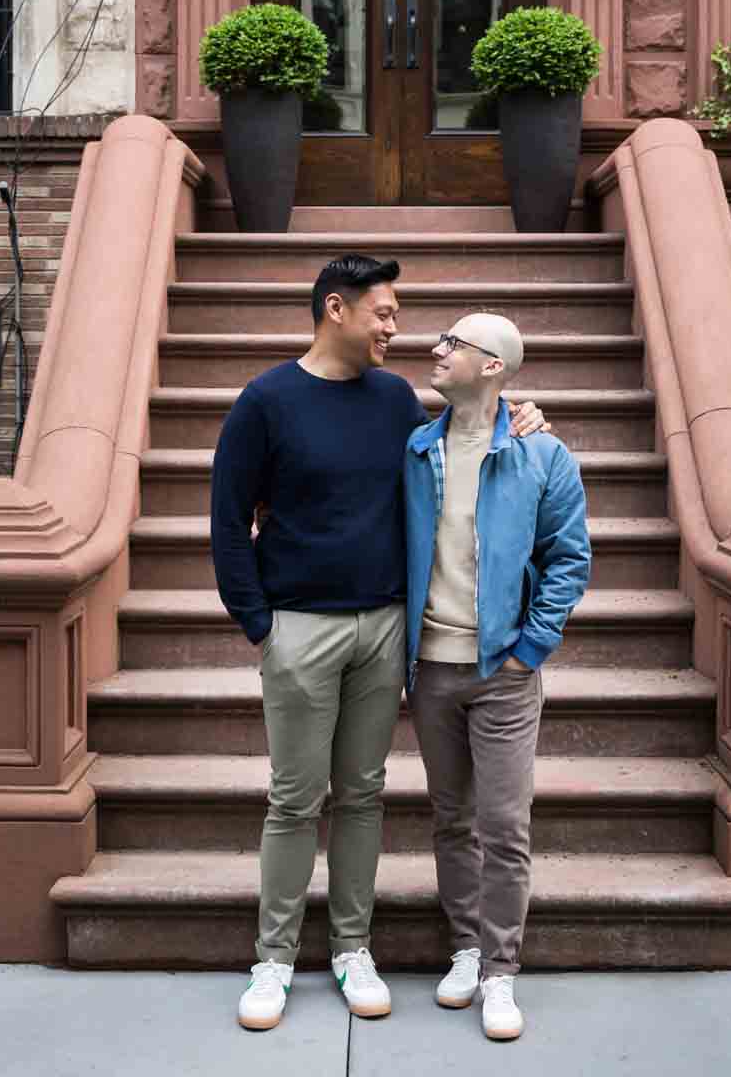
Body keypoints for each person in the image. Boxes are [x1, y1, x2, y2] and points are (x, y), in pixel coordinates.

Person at [210, 256, 547, 1033]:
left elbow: (470, 428)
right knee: (295, 798)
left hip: (387, 626)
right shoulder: (265, 402)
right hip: (297, 625)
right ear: (338, 308)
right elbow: (228, 522)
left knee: (362, 794)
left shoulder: (395, 399)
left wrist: (526, 415)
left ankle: (352, 948)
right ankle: (274, 959)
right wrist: (259, 624)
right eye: (386, 313)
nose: (397, 329)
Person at [404, 313, 590, 1043]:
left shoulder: (543, 457)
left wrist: (529, 649)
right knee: (451, 820)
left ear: (492, 367)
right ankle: (463, 949)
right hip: (431, 671)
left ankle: (500, 971)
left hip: (502, 675)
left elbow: (568, 560)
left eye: (452, 343)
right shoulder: (415, 449)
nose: (435, 349)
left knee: (503, 826)